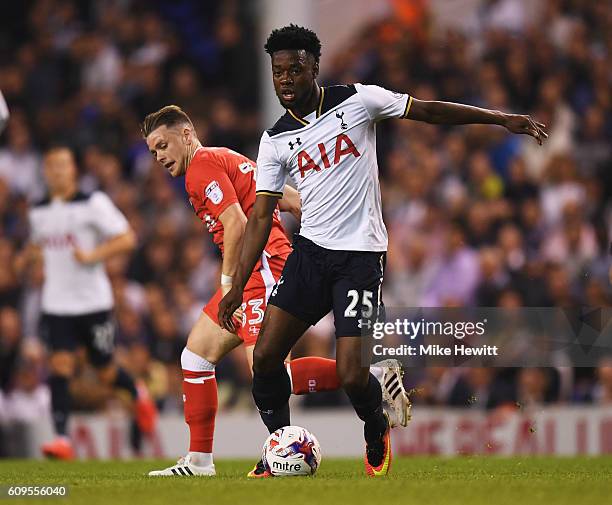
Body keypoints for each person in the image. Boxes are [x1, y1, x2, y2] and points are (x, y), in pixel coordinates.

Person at [218, 24, 547, 477]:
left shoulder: (358, 101)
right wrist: (235, 281)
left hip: (361, 259)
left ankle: (376, 426)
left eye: (295, 69)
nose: (286, 80)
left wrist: (499, 119)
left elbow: (428, 111)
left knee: (354, 375)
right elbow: (260, 217)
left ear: (314, 66)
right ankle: (280, 448)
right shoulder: (273, 140)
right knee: (266, 359)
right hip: (311, 255)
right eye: (278, 73)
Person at [141, 105, 410, 477]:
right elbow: (284, 196)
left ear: (186, 134)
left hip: (259, 271)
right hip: (259, 269)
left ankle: (374, 381)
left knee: (268, 374)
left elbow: (235, 225)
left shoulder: (201, 167)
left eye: (162, 145)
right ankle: (200, 461)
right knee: (196, 357)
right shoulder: (225, 157)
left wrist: (229, 286)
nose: (159, 157)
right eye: (153, 152)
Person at [16, 145, 153, 460]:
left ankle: (138, 393)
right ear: (45, 173)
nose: (57, 172)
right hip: (56, 303)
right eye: (51, 166)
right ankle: (62, 439)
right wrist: (27, 258)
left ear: (73, 170)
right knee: (60, 367)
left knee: (104, 372)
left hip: (93, 303)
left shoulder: (94, 203)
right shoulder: (38, 210)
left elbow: (127, 238)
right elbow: (40, 246)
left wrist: (93, 256)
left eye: (63, 165)